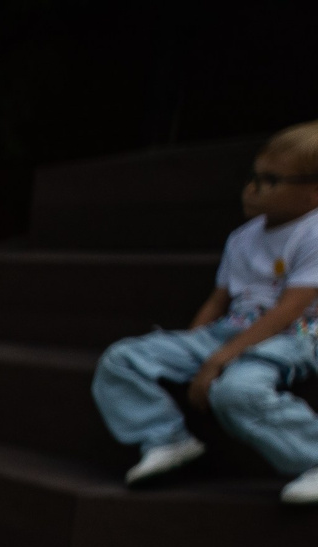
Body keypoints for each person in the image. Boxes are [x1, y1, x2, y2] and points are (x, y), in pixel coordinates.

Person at [92, 121, 318, 502]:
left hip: (294, 335)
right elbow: (219, 300)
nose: (252, 188)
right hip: (232, 330)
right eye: (253, 177)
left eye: (271, 180)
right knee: (122, 358)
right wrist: (195, 344)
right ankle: (167, 438)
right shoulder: (243, 236)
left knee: (236, 392)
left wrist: (218, 361)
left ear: (314, 192)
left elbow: (289, 310)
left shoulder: (312, 232)